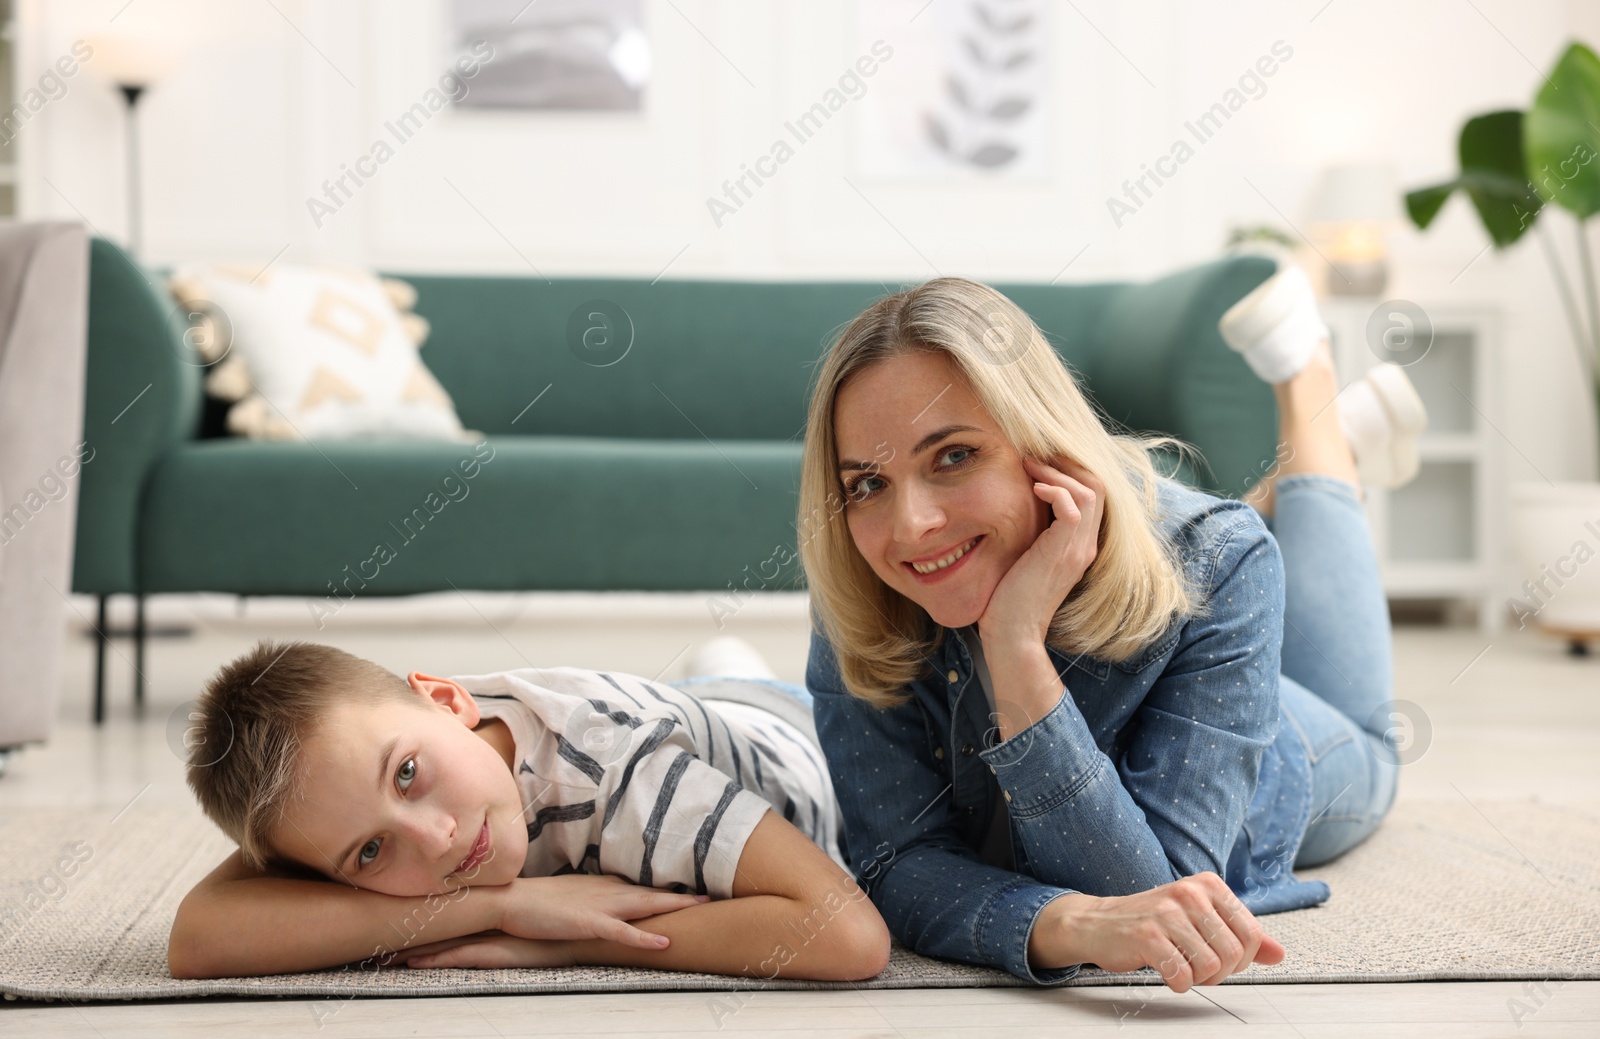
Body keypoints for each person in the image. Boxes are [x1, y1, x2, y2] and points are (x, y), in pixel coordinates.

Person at [796, 265, 1427, 991]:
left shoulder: (1219, 561)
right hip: (1199, 593)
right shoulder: (863, 581)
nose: (909, 527)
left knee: (1377, 740)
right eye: (867, 483)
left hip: (1299, 742)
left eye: (954, 455)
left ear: (1042, 441)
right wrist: (1058, 923)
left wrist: (1015, 646)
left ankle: (1311, 390)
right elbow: (894, 864)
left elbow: (1150, 898)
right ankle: (1316, 457)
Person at [168, 637, 889, 981]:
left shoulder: (618, 775)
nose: (437, 837)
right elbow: (197, 940)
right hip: (696, 712)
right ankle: (720, 666)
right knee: (713, 679)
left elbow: (850, 937)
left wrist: (567, 940)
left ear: (449, 700)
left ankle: (731, 668)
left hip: (794, 740)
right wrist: (506, 906)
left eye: (409, 773)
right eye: (369, 853)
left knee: (742, 688)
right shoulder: (340, 791)